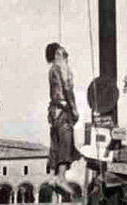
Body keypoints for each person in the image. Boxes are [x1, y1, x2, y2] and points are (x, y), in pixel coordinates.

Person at [45, 42, 81, 196]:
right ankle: (60, 177)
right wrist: (74, 108)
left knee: (56, 144)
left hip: (54, 111)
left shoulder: (51, 69)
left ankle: (54, 176)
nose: (66, 57)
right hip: (63, 109)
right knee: (66, 142)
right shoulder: (61, 66)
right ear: (58, 54)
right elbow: (67, 87)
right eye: (63, 54)